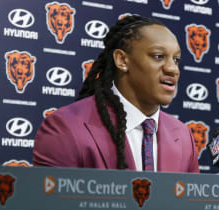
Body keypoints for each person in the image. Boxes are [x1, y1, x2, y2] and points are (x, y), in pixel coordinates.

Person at [33, 15, 199, 173]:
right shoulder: (65, 128)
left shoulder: (183, 135)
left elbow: (190, 203)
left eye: (176, 59)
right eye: (158, 56)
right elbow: (53, 203)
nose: (172, 69)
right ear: (122, 60)